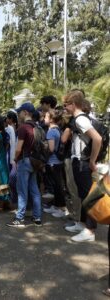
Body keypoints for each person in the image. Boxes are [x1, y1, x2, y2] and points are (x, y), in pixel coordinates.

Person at [63, 90, 102, 242]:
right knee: (82, 195)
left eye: (66, 104)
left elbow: (97, 139)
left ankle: (90, 231)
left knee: (88, 197)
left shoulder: (80, 120)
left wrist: (92, 160)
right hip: (78, 161)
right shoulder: (80, 119)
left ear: (73, 104)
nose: (65, 107)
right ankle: (83, 224)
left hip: (83, 162)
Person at [7, 102, 42, 227]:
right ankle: (37, 218)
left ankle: (19, 218)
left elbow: (18, 148)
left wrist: (15, 159)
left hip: (24, 160)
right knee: (34, 190)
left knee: (22, 191)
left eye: (20, 112)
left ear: (26, 112)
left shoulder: (23, 127)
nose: (18, 114)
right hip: (35, 161)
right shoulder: (37, 126)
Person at [43, 110, 69, 218]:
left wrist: (43, 146)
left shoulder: (51, 131)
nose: (44, 119)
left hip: (53, 162)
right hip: (58, 161)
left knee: (58, 186)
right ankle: (56, 205)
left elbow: (51, 148)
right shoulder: (57, 129)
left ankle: (61, 208)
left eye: (46, 117)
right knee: (57, 185)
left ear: (51, 119)